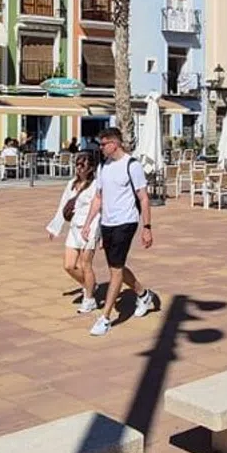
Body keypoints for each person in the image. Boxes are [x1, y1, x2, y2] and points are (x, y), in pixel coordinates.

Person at [80, 128, 157, 337]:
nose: (101, 148)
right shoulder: (103, 167)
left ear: (115, 144)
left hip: (126, 222)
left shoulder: (132, 165)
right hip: (107, 223)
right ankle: (143, 294)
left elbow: (143, 198)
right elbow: (98, 198)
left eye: (104, 144)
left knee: (115, 269)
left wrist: (147, 228)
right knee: (117, 266)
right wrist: (88, 223)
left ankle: (105, 318)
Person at [45, 152, 103, 312]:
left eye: (82, 165)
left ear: (91, 167)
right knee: (69, 265)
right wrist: (55, 227)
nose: (79, 168)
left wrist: (102, 235)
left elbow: (102, 209)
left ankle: (89, 299)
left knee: (85, 265)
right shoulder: (71, 183)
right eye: (77, 164)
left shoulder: (96, 185)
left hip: (90, 227)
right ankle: (90, 285)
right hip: (74, 227)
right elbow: (63, 205)